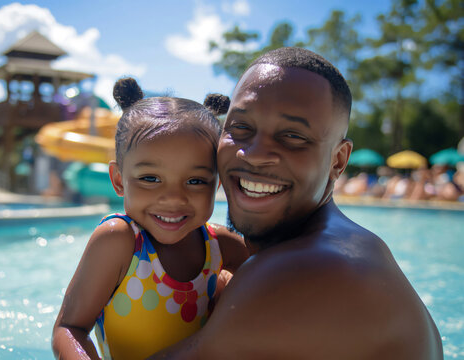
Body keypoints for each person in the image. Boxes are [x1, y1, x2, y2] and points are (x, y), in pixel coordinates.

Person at [149, 47, 443, 359]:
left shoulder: (305, 270)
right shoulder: (348, 247)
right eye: (240, 128)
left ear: (338, 161)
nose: (255, 154)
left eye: (293, 136)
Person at [52, 78, 249, 359]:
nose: (173, 198)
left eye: (195, 181)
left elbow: (277, 292)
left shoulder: (222, 246)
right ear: (119, 180)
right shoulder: (119, 241)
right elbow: (69, 328)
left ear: (216, 184)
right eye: (150, 178)